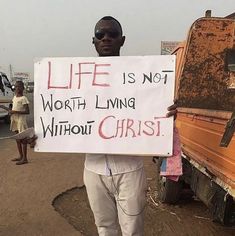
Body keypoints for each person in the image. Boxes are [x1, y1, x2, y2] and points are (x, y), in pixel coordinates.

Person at [84, 16, 177, 236]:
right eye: (100, 34)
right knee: (104, 228)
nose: (106, 38)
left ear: (122, 40)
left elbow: (156, 108)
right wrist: (39, 134)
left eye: (112, 34)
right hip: (93, 168)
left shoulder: (142, 77)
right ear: (94, 41)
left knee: (133, 230)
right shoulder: (81, 78)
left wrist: (168, 111)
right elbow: (62, 117)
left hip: (129, 168)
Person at [0, 80, 30, 165]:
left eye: (18, 86)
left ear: (22, 88)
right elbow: (12, 109)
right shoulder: (14, 97)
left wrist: (14, 112)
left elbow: (27, 111)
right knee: (17, 138)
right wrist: (7, 110)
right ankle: (20, 156)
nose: (16, 88)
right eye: (15, 86)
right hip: (14, 120)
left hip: (21, 121)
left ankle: (25, 158)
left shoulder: (24, 98)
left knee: (23, 139)